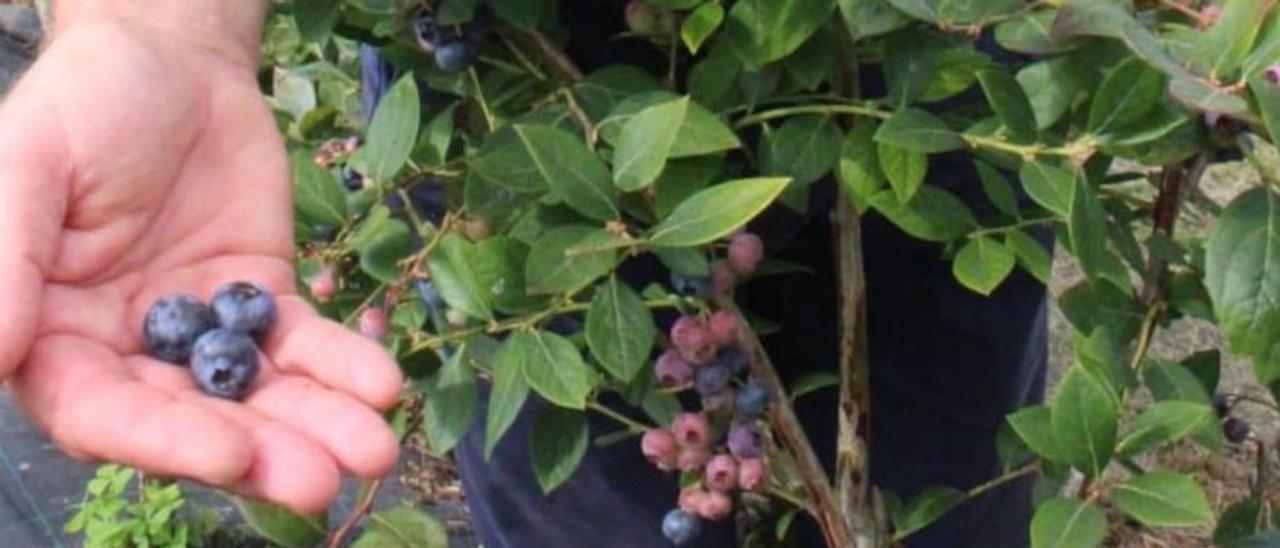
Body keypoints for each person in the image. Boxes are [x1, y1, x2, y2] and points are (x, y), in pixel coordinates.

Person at [2, 1, 1047, 547]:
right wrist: (156, 26)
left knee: (935, 497)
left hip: (904, 49)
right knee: (596, 521)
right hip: (523, 72)